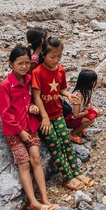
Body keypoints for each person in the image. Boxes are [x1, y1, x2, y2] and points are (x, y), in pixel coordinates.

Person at [0, 46, 58, 210]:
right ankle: (33, 201)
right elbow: (5, 113)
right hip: (14, 130)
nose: (24, 67)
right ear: (11, 64)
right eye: (20, 63)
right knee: (23, 163)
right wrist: (20, 131)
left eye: (26, 63)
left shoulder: (29, 80)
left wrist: (32, 106)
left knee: (36, 159)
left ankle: (45, 198)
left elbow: (32, 98)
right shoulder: (5, 86)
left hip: (31, 125)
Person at [31, 35, 94, 191]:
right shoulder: (38, 72)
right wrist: (44, 118)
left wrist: (68, 95)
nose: (56, 60)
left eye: (59, 56)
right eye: (52, 56)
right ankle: (67, 177)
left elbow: (61, 89)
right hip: (44, 117)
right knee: (56, 145)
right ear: (43, 55)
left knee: (66, 141)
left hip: (58, 112)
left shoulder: (60, 70)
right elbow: (36, 96)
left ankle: (77, 173)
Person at [65, 69, 99, 145]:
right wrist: (86, 111)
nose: (94, 83)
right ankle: (73, 133)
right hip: (70, 119)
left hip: (79, 114)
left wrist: (89, 106)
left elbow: (87, 103)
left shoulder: (86, 91)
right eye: (93, 82)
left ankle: (79, 128)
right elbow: (75, 115)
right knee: (91, 119)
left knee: (96, 111)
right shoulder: (77, 96)